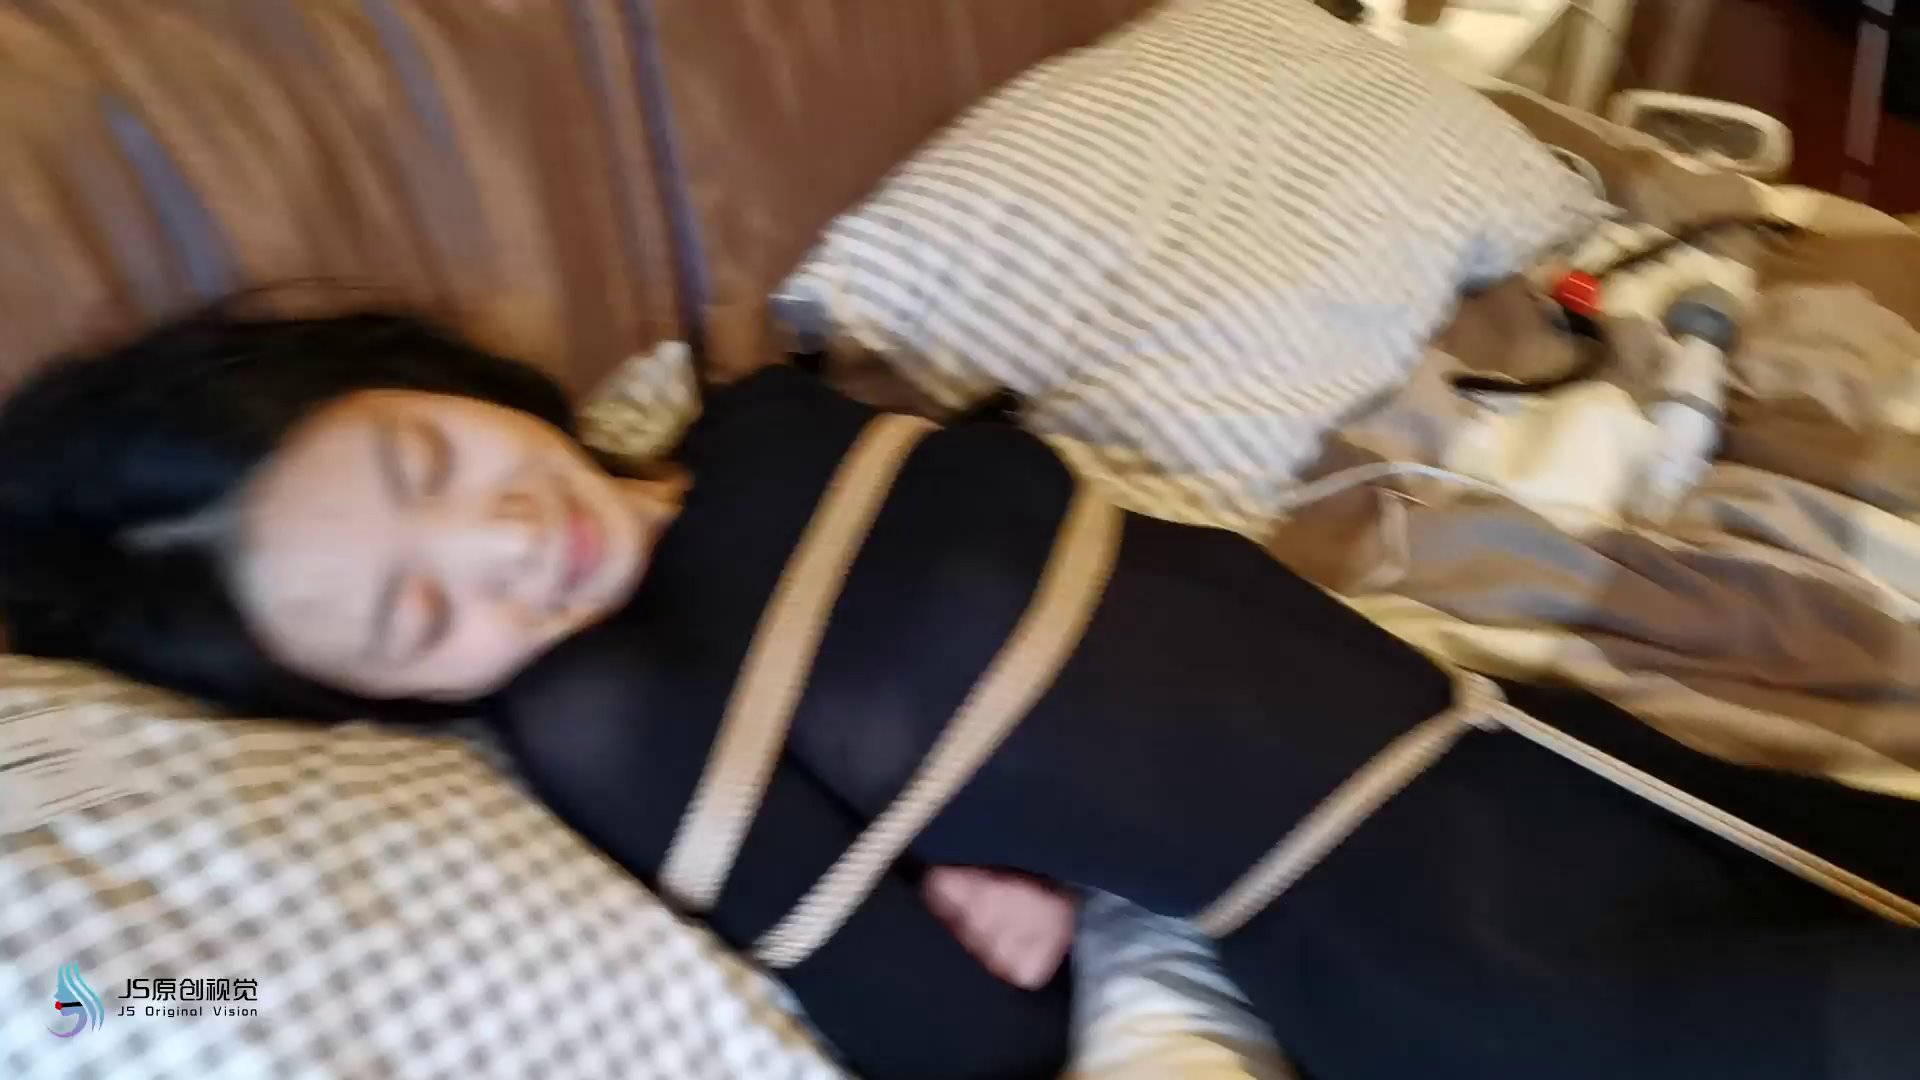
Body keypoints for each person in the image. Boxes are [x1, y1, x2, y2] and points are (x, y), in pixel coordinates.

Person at [3, 309, 1917, 1080]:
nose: (502, 542)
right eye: (420, 617)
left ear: (419, 371)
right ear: (379, 696)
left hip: (1548, 752)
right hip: (1470, 961)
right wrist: (1041, 884)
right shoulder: (617, 722)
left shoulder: (755, 417)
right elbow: (953, 1048)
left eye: (427, 461)